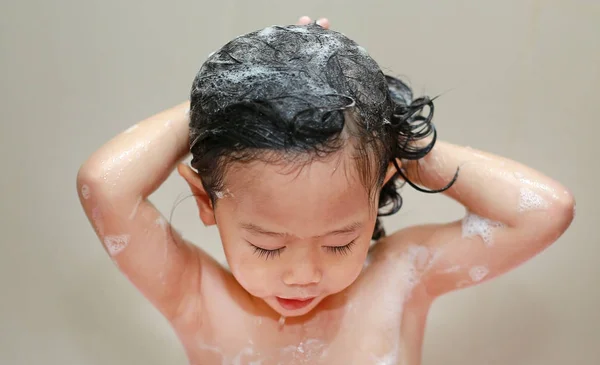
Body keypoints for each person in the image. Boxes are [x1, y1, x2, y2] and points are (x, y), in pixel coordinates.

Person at [76, 16, 575, 365]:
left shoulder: (399, 278)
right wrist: (239, 97)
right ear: (207, 201)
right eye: (267, 246)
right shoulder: (198, 298)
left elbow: (543, 212)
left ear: (381, 188)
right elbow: (104, 185)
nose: (303, 275)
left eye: (339, 242)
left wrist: (391, 135)